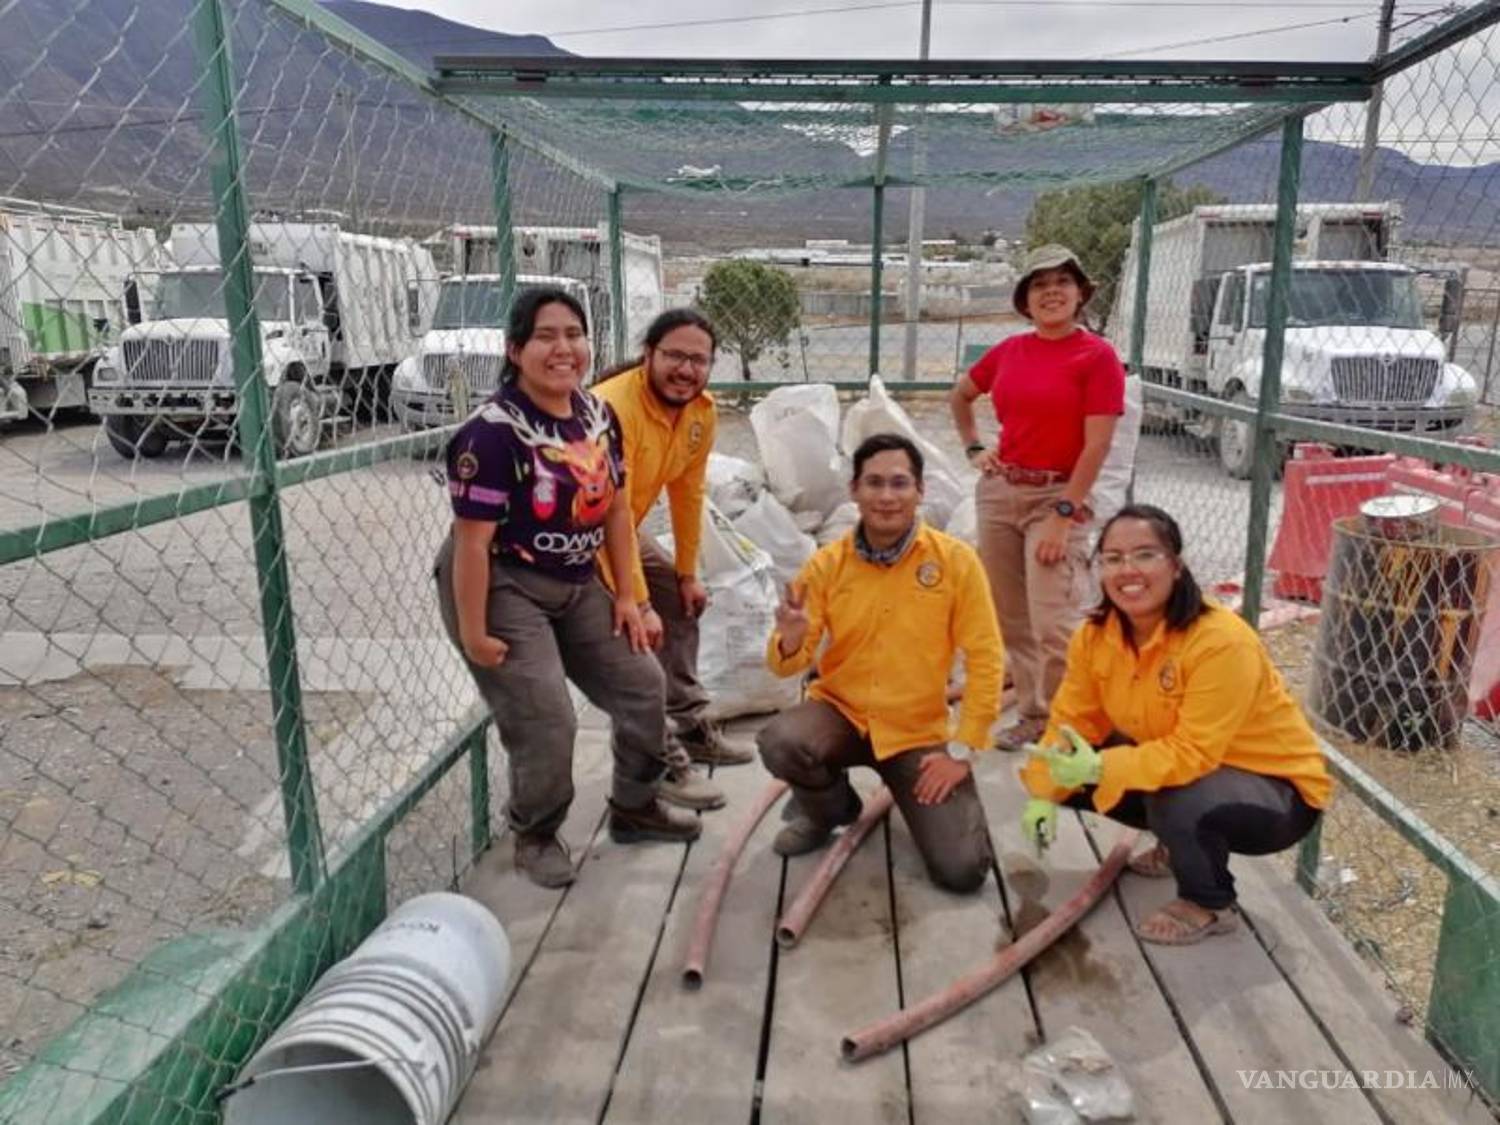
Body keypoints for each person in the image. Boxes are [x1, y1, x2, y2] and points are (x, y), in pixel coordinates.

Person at [434, 286, 700, 890]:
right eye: (546, 336)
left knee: (642, 683)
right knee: (547, 716)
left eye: (574, 335)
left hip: (576, 578)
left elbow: (615, 512)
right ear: (515, 349)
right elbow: (472, 544)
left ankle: (634, 807)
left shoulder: (597, 417)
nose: (564, 349)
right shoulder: (490, 435)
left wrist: (629, 598)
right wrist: (475, 632)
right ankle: (535, 830)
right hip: (502, 582)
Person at [1019, 504, 1332, 945]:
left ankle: (1208, 903)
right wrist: (1043, 792)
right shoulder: (1095, 635)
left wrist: (1100, 769)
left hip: (1276, 793)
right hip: (1190, 769)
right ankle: (1177, 845)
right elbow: (1072, 722)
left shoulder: (1220, 641)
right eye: (1112, 558)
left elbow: (1194, 753)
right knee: (1064, 769)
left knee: (1175, 796)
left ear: (1176, 565)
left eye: (1145, 554)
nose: (1128, 570)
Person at [756, 433, 1005, 893]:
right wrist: (790, 640)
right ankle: (829, 811)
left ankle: (909, 800)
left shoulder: (956, 563)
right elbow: (786, 667)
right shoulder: (826, 565)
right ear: (854, 490)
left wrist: (963, 752)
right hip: (842, 715)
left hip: (917, 733)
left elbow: (987, 659)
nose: (887, 497)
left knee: (963, 870)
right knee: (782, 741)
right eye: (873, 483)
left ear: (920, 491)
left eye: (899, 483)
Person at [950, 244, 1125, 751]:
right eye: (1039, 285)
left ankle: (1075, 727)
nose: (1051, 292)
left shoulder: (1097, 357)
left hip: (1058, 494)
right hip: (1002, 493)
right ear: (1026, 299)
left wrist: (1064, 516)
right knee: (1012, 617)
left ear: (1079, 294)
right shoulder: (1009, 351)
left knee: (1054, 621)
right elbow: (960, 397)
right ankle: (1033, 714)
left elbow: (1098, 444)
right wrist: (975, 448)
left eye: (1062, 283)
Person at [592, 309, 755, 814]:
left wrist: (687, 574)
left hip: (621, 529)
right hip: (580, 537)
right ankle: (656, 762)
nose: (685, 369)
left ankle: (688, 721)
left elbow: (688, 494)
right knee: (633, 647)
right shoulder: (610, 410)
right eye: (674, 356)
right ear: (648, 356)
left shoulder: (700, 413)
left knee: (683, 602)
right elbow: (601, 515)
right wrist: (637, 603)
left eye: (698, 360)